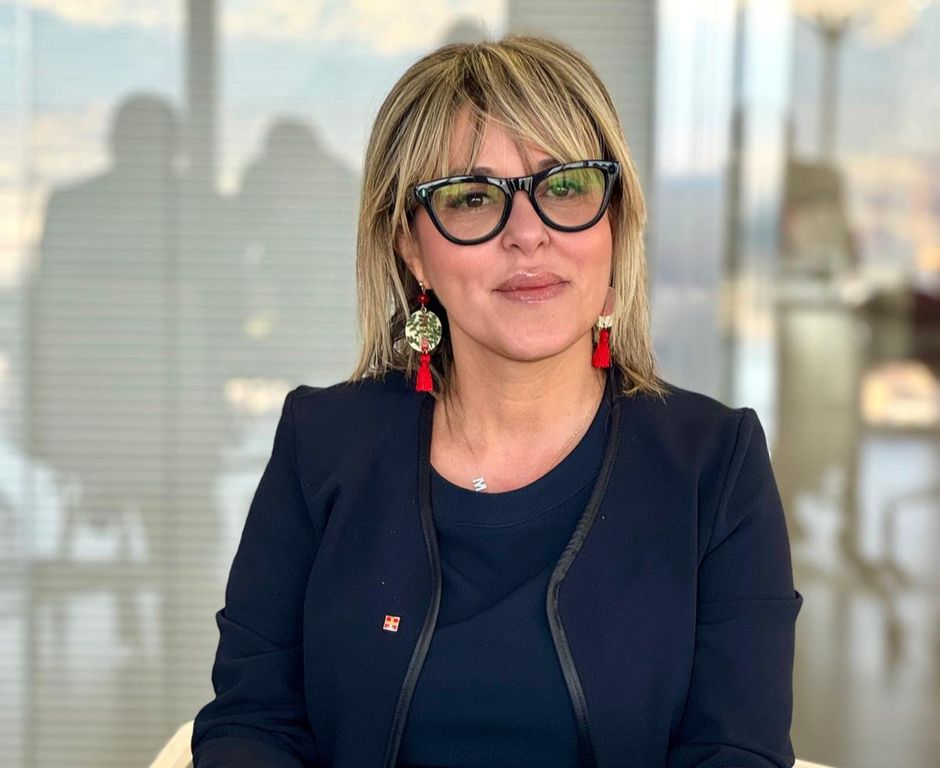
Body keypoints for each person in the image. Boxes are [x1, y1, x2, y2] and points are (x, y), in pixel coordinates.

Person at [191, 34, 803, 768]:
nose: (529, 235)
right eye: (473, 198)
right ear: (411, 248)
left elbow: (735, 750)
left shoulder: (714, 465)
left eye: (565, 186)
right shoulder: (321, 443)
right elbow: (253, 723)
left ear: (614, 221)